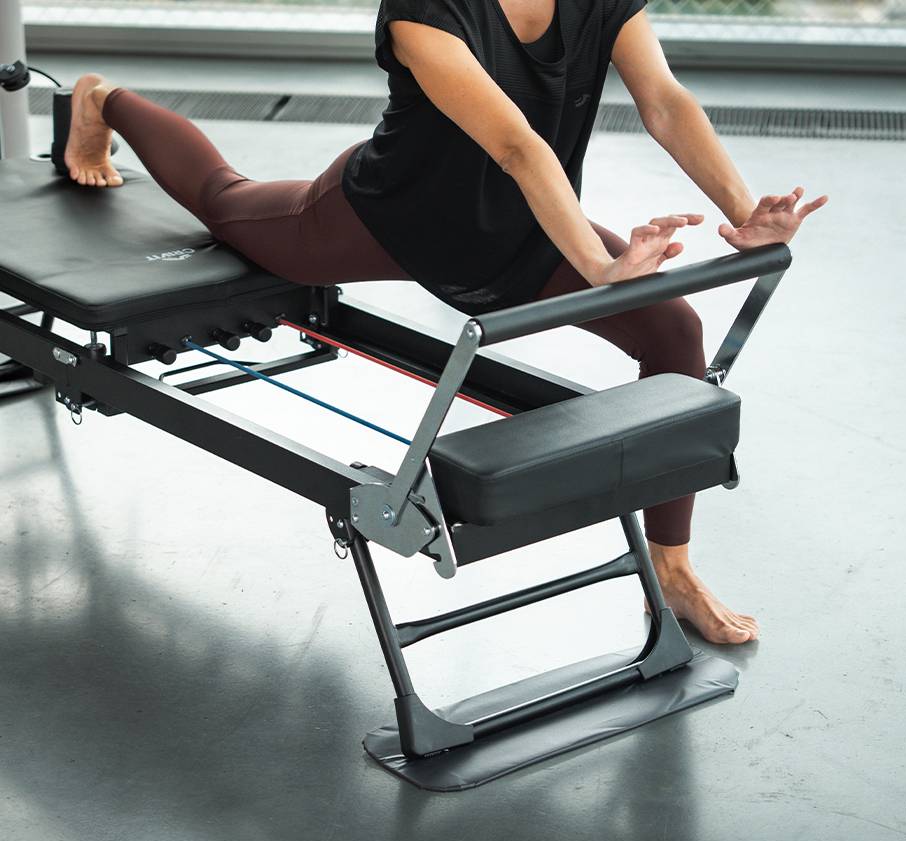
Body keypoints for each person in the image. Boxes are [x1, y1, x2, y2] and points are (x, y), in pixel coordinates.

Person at [62, 0, 826, 644]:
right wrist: (597, 269)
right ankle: (103, 100)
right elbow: (515, 144)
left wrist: (744, 214)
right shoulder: (428, 10)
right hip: (389, 215)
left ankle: (673, 564)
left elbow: (663, 100)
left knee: (673, 333)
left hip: (519, 226)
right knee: (228, 201)